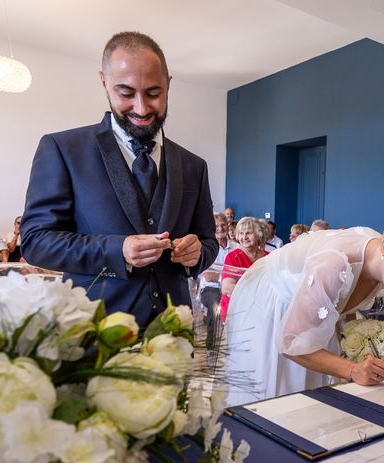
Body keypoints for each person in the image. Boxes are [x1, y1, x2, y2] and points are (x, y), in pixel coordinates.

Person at [20, 32, 217, 327]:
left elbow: (209, 241)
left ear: (168, 84)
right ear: (104, 82)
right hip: (92, 333)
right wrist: (117, 250)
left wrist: (198, 253)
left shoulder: (194, 165)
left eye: (153, 93)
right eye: (126, 93)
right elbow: (36, 241)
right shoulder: (63, 149)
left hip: (174, 333)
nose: (141, 108)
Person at [225, 215, 384, 406]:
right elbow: (292, 344)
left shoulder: (383, 263)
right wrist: (353, 370)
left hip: (308, 308)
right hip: (271, 307)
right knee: (280, 397)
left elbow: (341, 302)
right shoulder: (335, 264)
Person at [197, 212, 238, 349]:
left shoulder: (236, 247)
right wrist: (227, 277)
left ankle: (235, 346)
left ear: (227, 225)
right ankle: (211, 346)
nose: (220, 229)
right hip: (211, 287)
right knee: (215, 306)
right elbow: (208, 275)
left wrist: (222, 275)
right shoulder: (207, 247)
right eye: (216, 226)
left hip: (231, 288)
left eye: (223, 225)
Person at [220, 217, 269, 323]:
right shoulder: (233, 256)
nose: (244, 237)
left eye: (248, 233)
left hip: (262, 310)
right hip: (236, 311)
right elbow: (227, 288)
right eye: (241, 233)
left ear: (258, 234)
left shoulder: (268, 257)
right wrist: (255, 298)